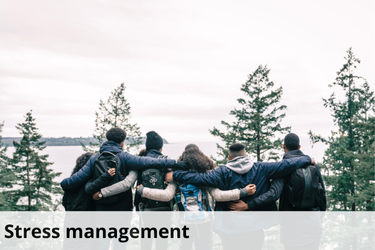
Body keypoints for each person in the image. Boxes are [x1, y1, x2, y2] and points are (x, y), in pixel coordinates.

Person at [166, 143, 315, 250]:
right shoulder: (262, 168)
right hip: (254, 228)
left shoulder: (221, 173)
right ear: (245, 155)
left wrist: (176, 174)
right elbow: (287, 165)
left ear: (229, 158)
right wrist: (307, 159)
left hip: (230, 230)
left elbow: (198, 178)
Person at [139, 144, 256, 250]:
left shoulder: (176, 175)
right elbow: (219, 195)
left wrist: (142, 190)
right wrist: (243, 192)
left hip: (184, 221)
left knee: (185, 247)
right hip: (205, 220)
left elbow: (166, 195)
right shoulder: (206, 174)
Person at [60, 127, 186, 212]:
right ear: (122, 143)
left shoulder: (94, 159)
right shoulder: (125, 157)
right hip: (122, 208)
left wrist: (65, 184)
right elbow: (149, 161)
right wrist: (175, 163)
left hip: (101, 208)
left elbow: (71, 182)